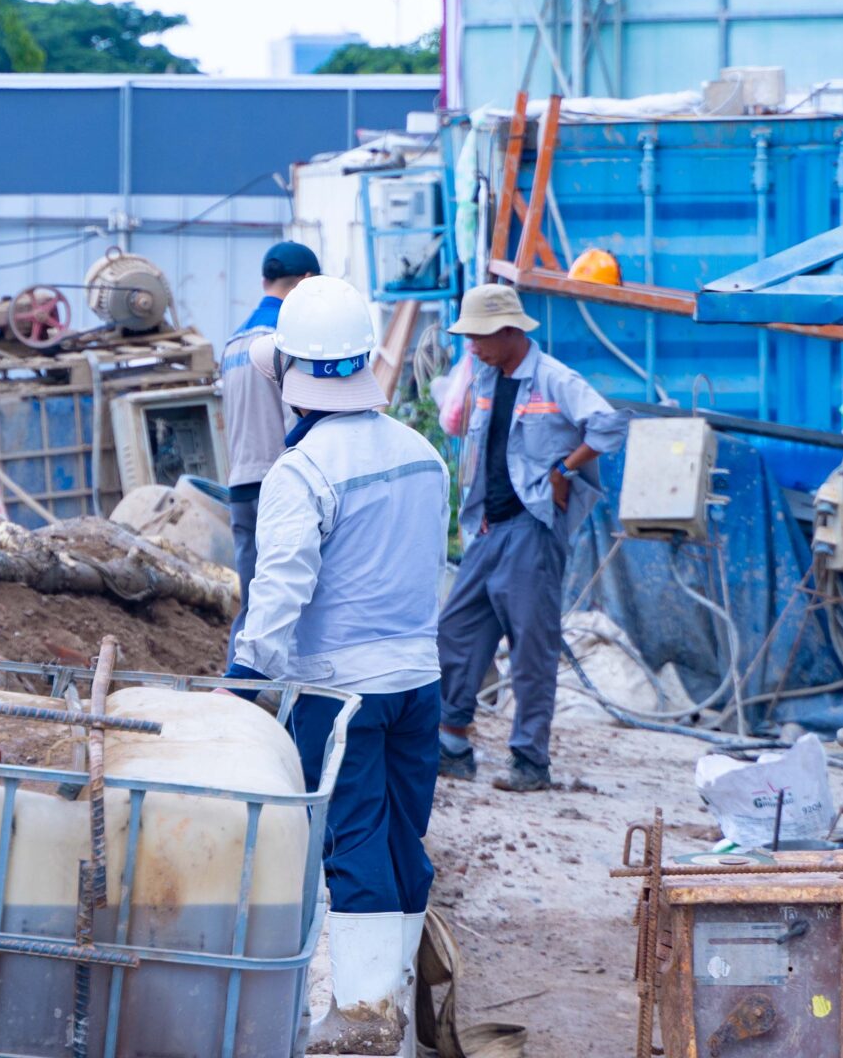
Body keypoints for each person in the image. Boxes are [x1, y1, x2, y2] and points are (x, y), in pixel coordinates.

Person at [226, 275, 445, 1055]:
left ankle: (362, 1023)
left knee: (352, 846)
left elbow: (281, 586)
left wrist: (246, 680)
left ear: (293, 372)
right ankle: (398, 1017)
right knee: (401, 843)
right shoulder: (422, 456)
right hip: (419, 683)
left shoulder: (303, 471)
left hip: (339, 692)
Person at [435, 283, 628, 793]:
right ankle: (452, 744)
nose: (471, 347)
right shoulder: (483, 374)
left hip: (532, 529)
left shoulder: (553, 378)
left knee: (530, 645)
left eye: (478, 337)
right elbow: (471, 440)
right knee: (457, 629)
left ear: (508, 331)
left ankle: (529, 760)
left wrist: (566, 468)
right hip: (489, 525)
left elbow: (608, 425)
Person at [220, 241, 322, 616]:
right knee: (294, 606)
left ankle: (237, 675)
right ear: (307, 281)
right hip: (281, 486)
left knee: (252, 609)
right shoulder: (287, 337)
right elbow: (300, 414)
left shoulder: (234, 342)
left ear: (266, 280)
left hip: (241, 487)